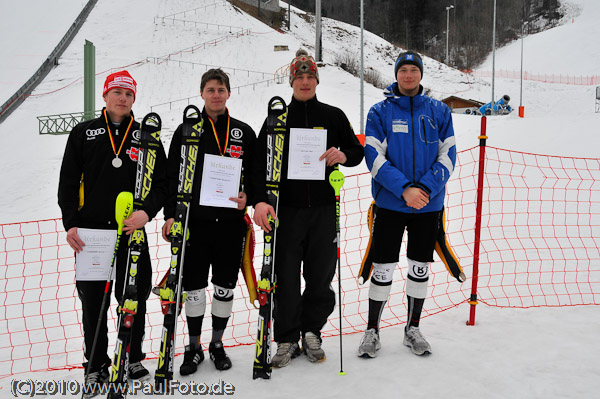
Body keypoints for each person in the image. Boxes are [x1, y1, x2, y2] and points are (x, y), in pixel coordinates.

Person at [252, 49, 364, 368]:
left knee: (320, 275)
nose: (304, 81)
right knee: (285, 276)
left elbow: (357, 150)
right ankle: (287, 338)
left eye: (309, 76)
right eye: (299, 77)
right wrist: (261, 200)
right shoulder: (277, 118)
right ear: (291, 81)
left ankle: (312, 331)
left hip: (324, 210)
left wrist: (342, 156)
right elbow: (259, 164)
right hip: (286, 211)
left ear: (317, 80)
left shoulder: (332, 115)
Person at [58, 70, 168, 390]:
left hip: (132, 230)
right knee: (94, 300)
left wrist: (146, 213)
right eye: (117, 92)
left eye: (128, 94)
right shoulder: (85, 132)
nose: (122, 98)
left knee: (133, 295)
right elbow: (68, 181)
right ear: (105, 96)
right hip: (92, 233)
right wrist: (71, 223)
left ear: (135, 99)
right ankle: (95, 365)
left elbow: (160, 184)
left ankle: (131, 356)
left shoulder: (145, 135)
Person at [358, 50, 456, 358]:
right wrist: (404, 190)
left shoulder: (439, 111)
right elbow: (373, 157)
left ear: (421, 74)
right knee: (383, 267)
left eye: (414, 70)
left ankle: (412, 328)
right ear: (397, 74)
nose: (409, 75)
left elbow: (449, 156)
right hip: (390, 205)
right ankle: (372, 330)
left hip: (427, 206)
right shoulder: (380, 112)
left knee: (419, 266)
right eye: (404, 70)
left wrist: (424, 189)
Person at [161, 68, 256, 375]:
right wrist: (170, 215)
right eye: (211, 89)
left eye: (221, 89)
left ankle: (217, 343)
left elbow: (257, 174)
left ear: (229, 93)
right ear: (201, 93)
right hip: (195, 225)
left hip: (230, 224)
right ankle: (193, 348)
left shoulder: (242, 131)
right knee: (195, 289)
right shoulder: (186, 130)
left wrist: (248, 196)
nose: (216, 94)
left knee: (225, 287)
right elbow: (170, 177)